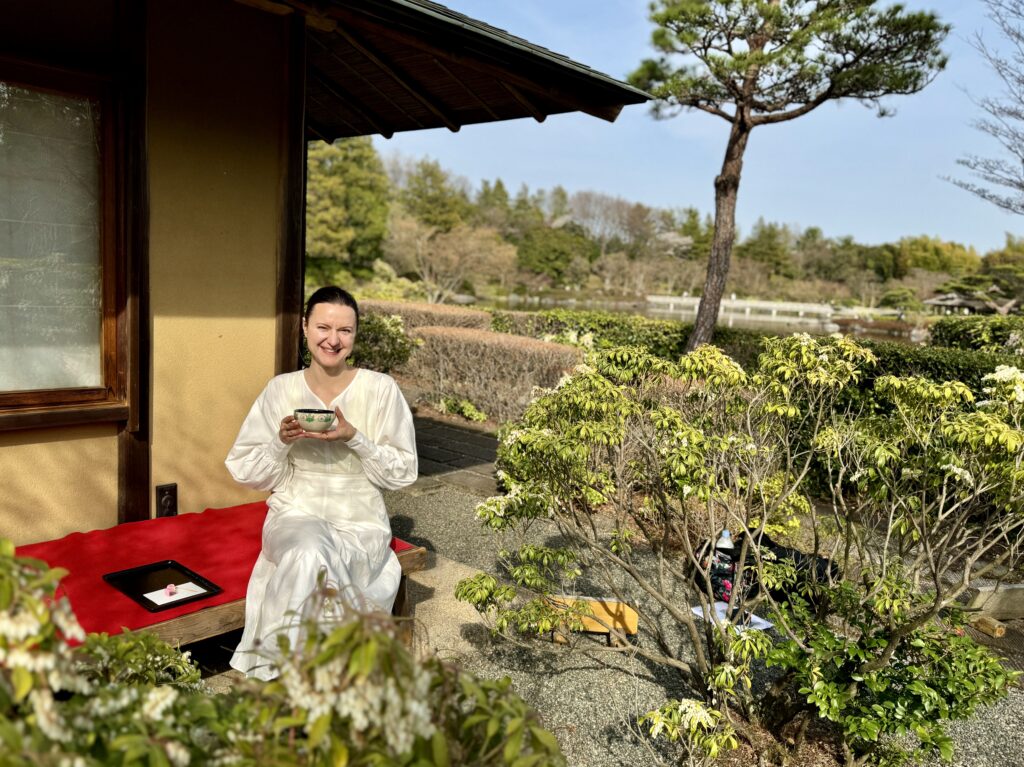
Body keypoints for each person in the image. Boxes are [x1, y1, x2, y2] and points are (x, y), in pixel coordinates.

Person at [225, 286, 417, 679]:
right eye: (323, 327)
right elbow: (245, 469)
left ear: (355, 335)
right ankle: (306, 671)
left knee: (325, 557)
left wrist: (356, 438)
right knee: (310, 552)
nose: (333, 339)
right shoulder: (280, 389)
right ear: (304, 327)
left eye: (345, 331)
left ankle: (313, 673)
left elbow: (401, 472)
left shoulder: (380, 389)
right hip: (296, 508)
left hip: (360, 516)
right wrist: (281, 442)